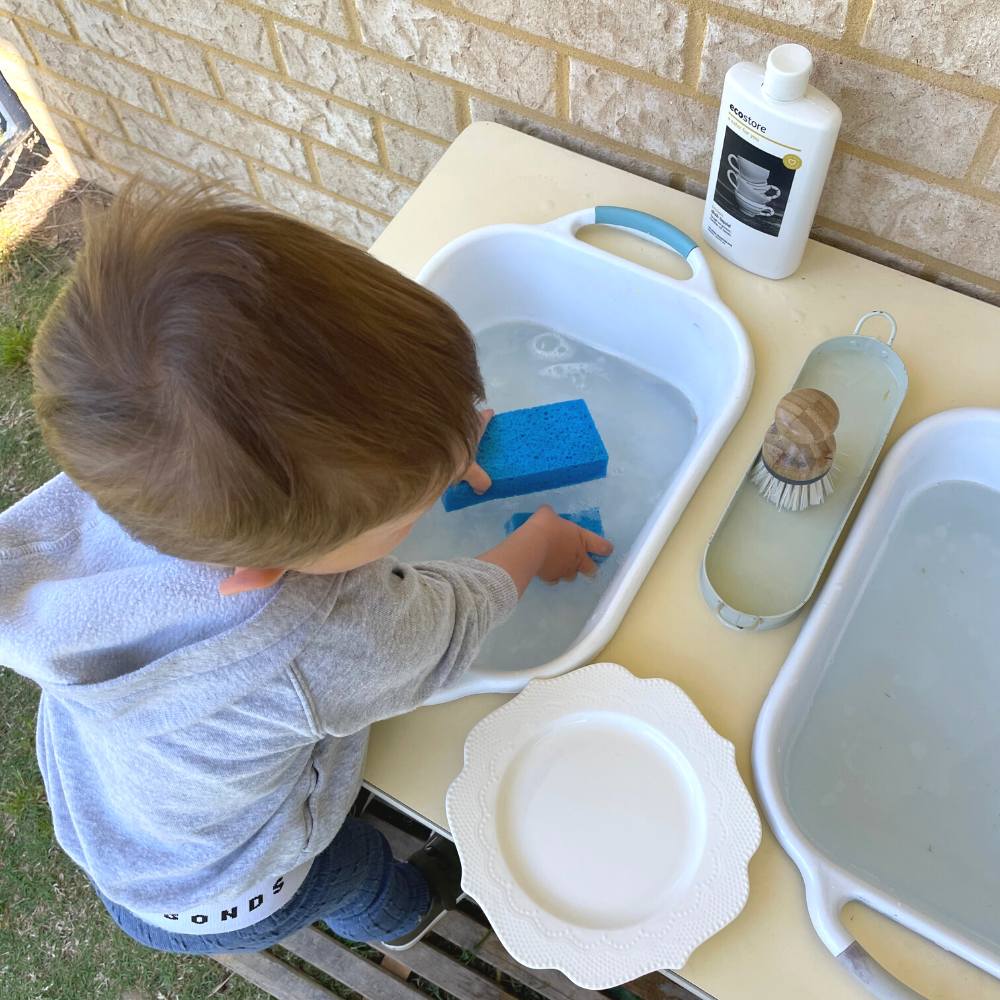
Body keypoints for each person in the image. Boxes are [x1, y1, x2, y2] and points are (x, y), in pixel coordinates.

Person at [0, 186, 612, 955]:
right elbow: (453, 620)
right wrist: (537, 544)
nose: (442, 480)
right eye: (407, 512)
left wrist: (430, 438)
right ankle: (404, 915)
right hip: (226, 889)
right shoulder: (317, 638)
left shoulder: (104, 493)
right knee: (348, 869)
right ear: (267, 569)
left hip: (115, 819)